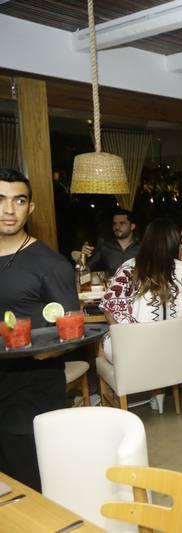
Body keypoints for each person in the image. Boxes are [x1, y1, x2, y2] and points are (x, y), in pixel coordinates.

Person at [0, 169, 80, 491]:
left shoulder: (50, 264)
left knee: (29, 489)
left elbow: (71, 331)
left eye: (19, 200)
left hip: (28, 395)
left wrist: (43, 349)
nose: (9, 209)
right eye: (0, 199)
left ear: (30, 208)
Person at [99, 218, 182, 362]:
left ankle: (121, 375)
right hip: (180, 352)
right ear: (174, 243)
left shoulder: (129, 267)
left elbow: (108, 308)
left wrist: (122, 334)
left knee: (104, 341)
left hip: (140, 353)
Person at [81, 208, 141, 275]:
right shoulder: (105, 247)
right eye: (114, 223)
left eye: (122, 223)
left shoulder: (142, 248)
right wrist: (83, 256)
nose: (117, 227)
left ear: (132, 226)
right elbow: (85, 270)